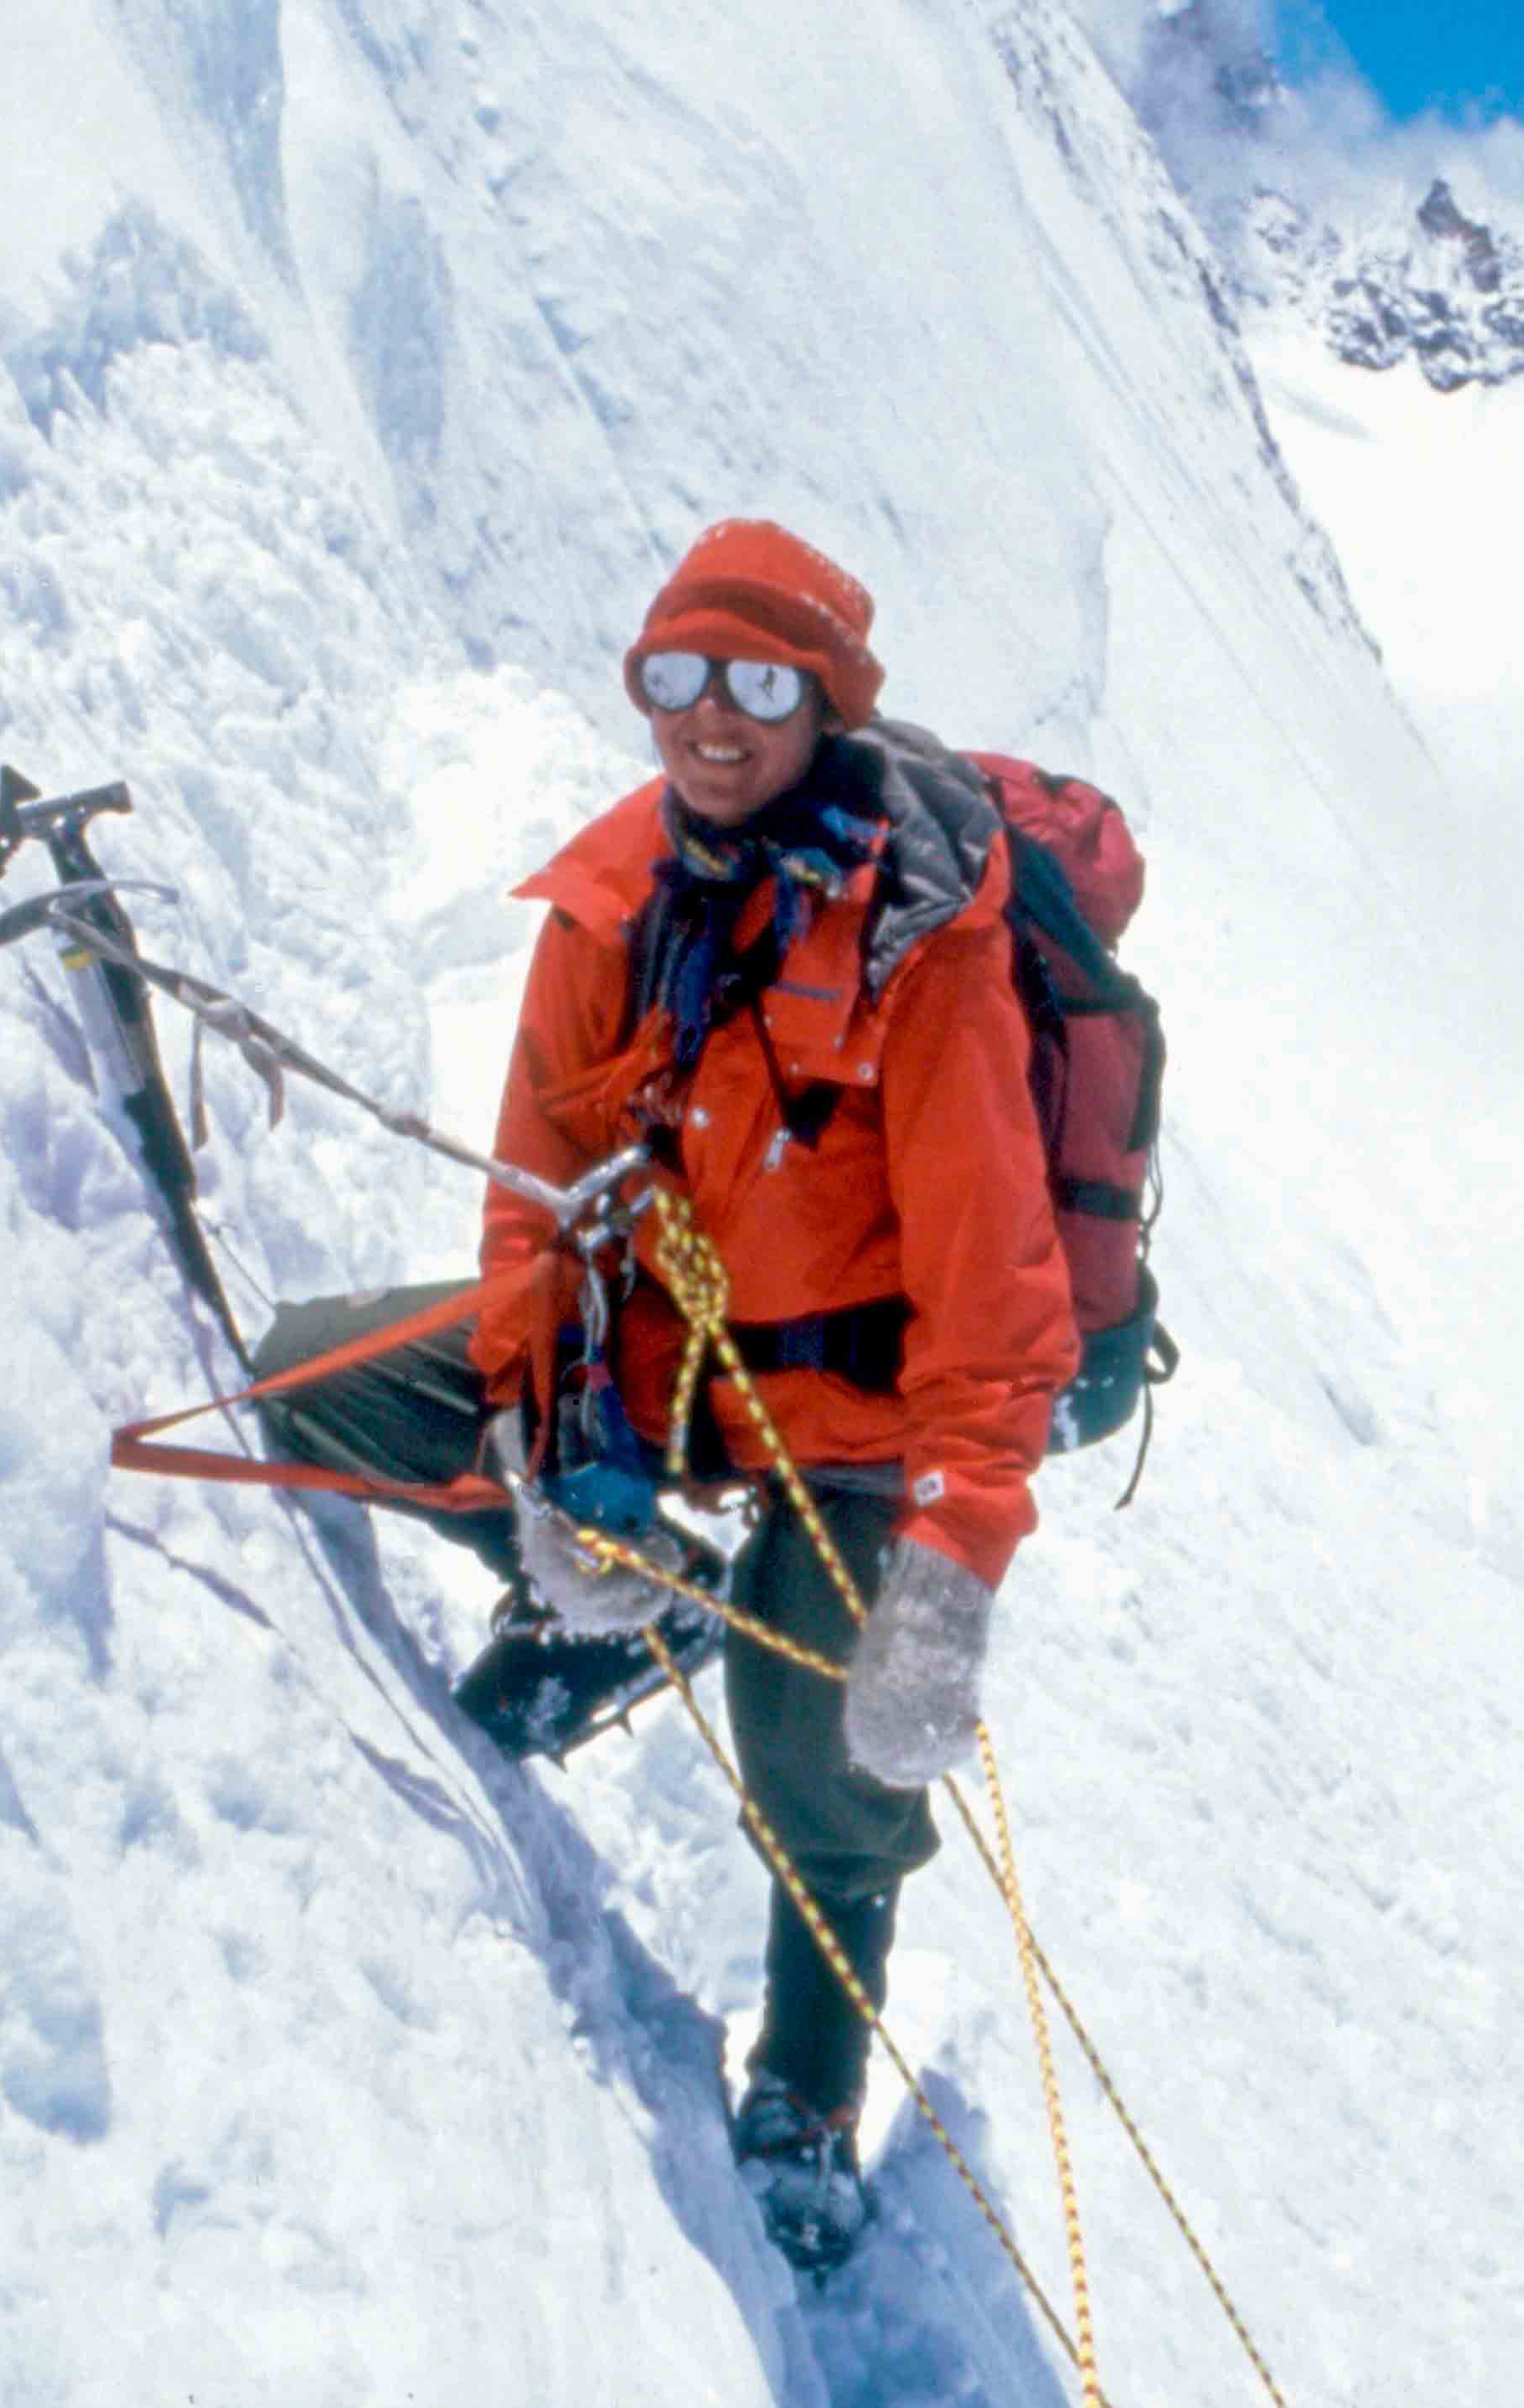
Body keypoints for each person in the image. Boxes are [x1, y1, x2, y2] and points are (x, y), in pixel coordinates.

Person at [260, 519, 1077, 2272]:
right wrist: (564, 1449)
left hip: (860, 1422)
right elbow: (535, 1203)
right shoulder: (613, 898)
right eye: (677, 676)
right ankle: (633, 1609)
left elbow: (997, 1302)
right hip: (659, 1365)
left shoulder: (921, 946)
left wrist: (944, 1586)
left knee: (827, 1755)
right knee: (312, 1385)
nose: (711, 718)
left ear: (828, 706)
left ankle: (807, 2090)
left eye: (760, 685)